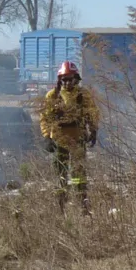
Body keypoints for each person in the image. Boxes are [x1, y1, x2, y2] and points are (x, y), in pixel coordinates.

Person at [40, 60, 100, 215]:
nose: (67, 82)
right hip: (59, 139)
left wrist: (93, 130)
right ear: (60, 79)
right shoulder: (53, 95)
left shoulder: (83, 95)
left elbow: (92, 113)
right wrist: (47, 137)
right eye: (64, 79)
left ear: (76, 78)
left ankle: (83, 206)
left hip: (78, 138)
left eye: (70, 78)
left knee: (79, 174)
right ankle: (60, 208)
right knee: (60, 174)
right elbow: (45, 118)